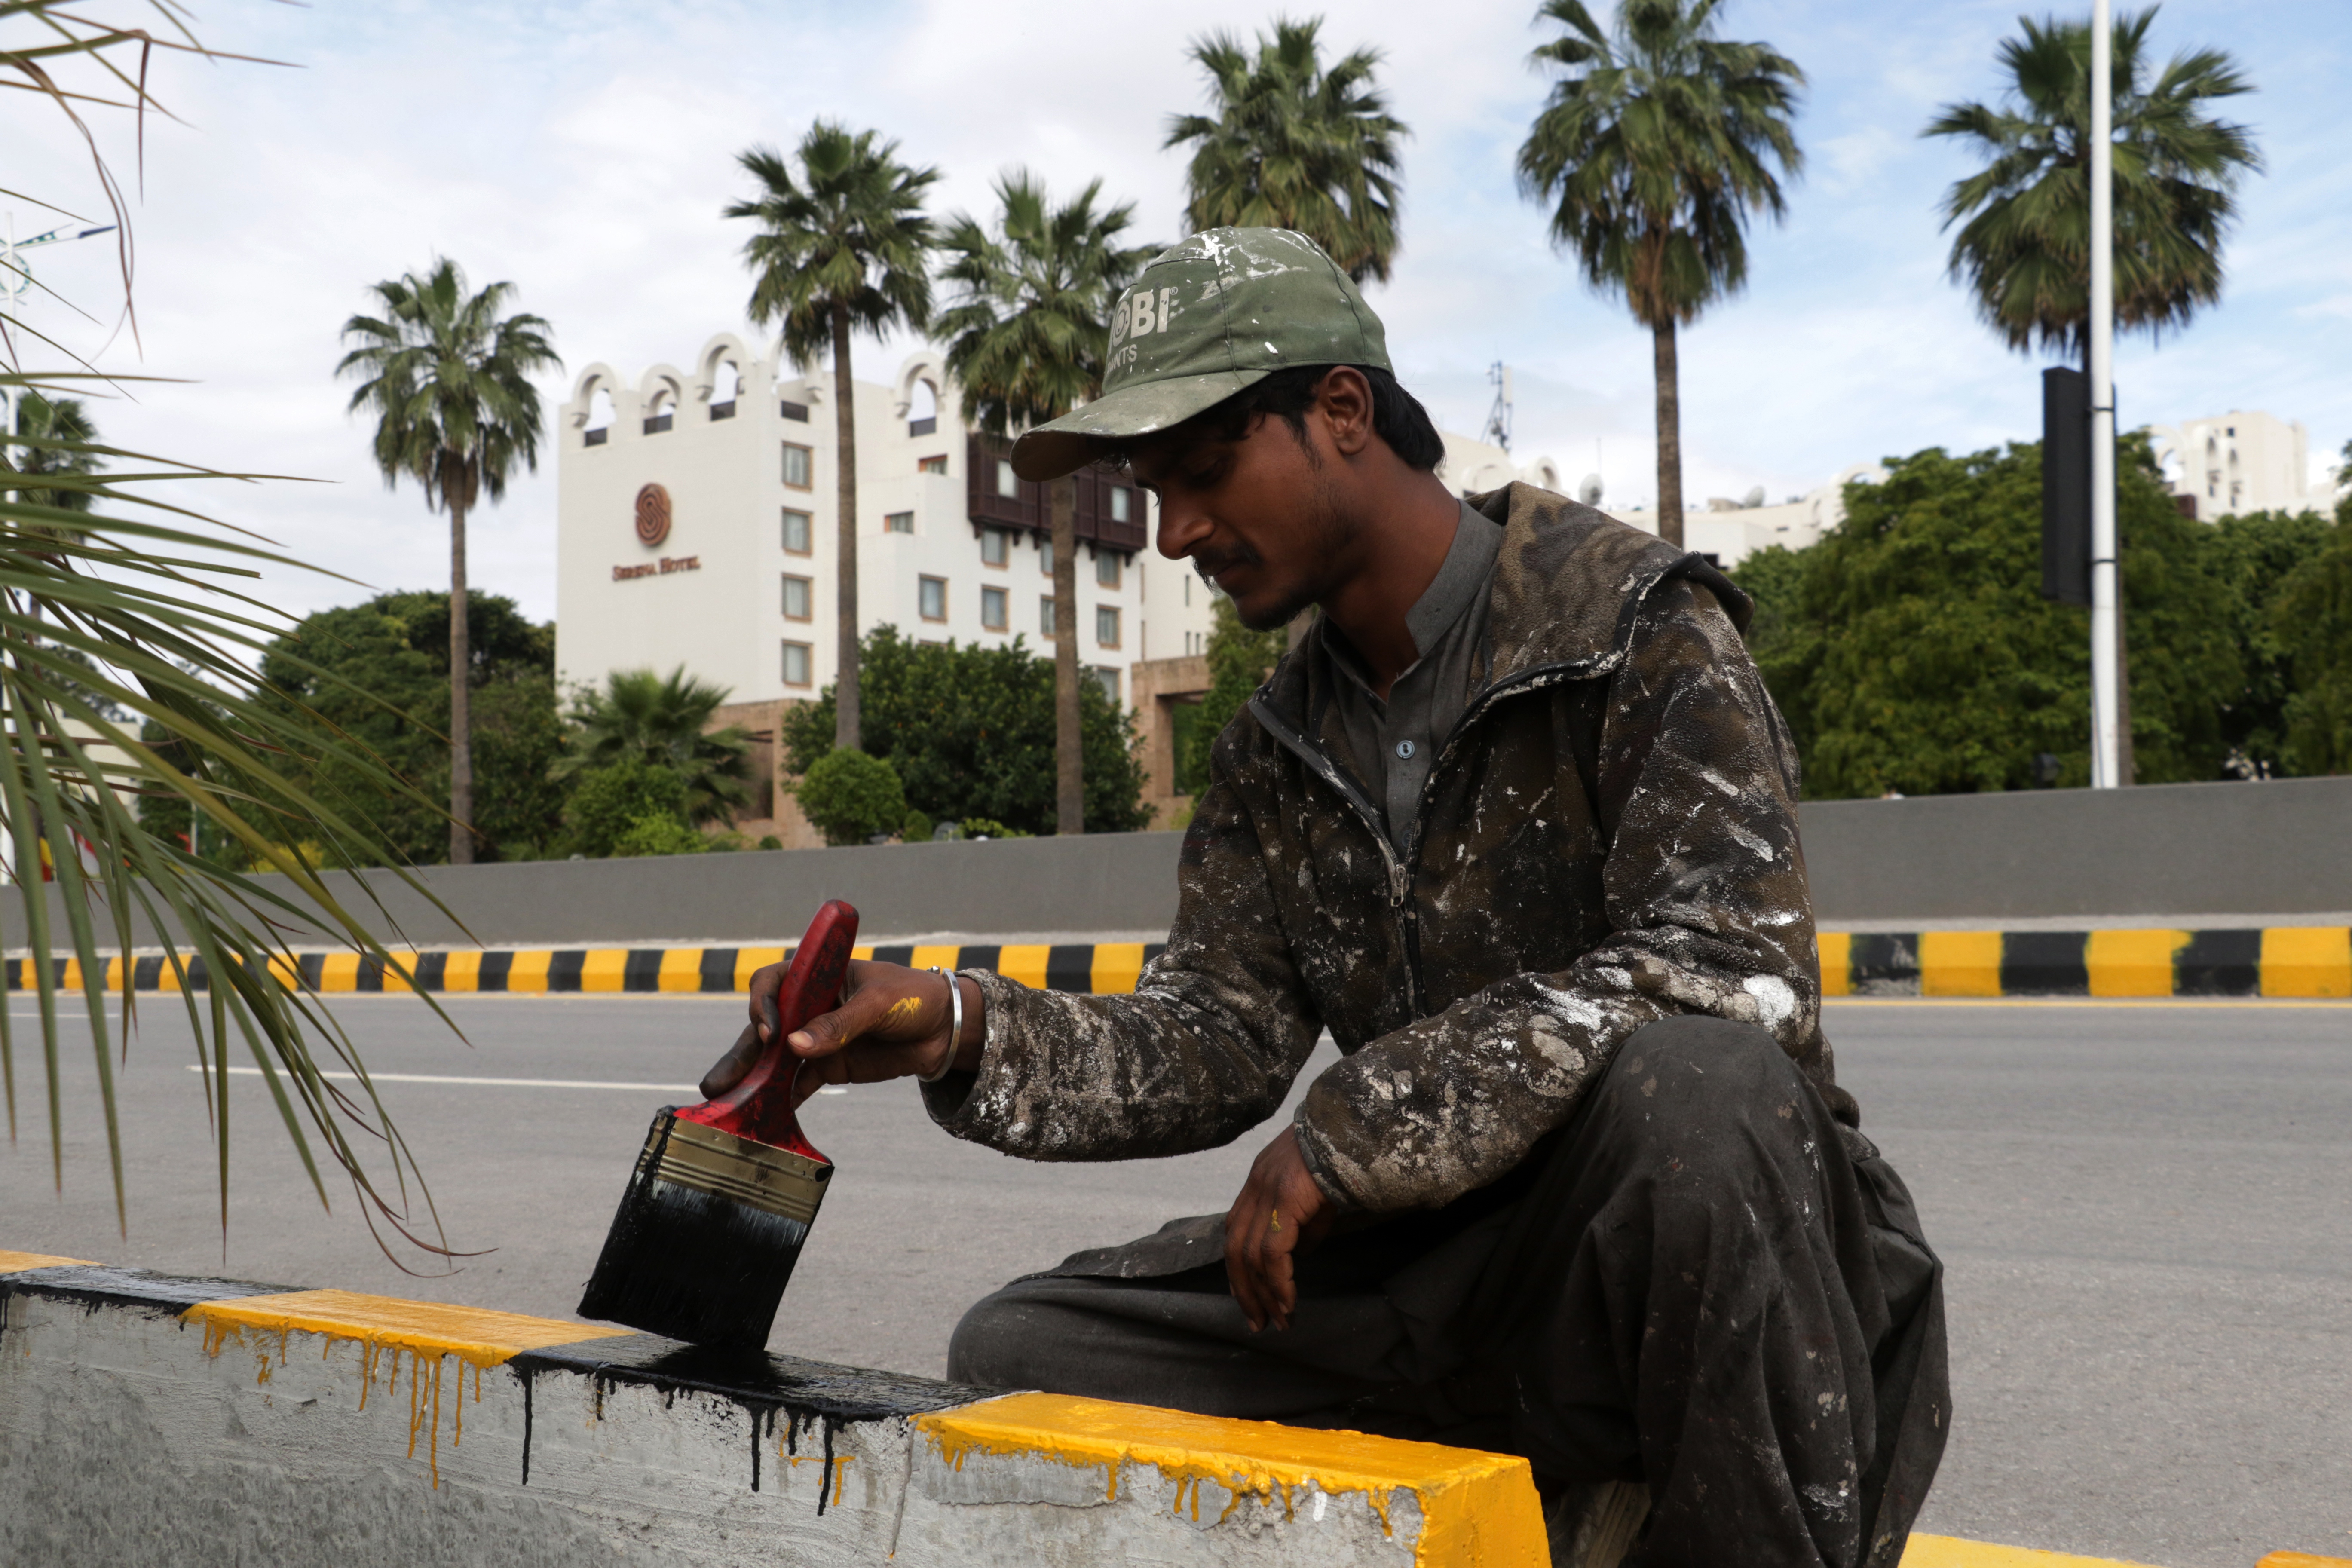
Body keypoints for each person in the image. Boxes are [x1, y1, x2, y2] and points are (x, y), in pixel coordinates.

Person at [701, 227, 1947, 1568]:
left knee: (1702, 1087)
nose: (1176, 532)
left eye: (1203, 472)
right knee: (1024, 1354)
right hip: (1430, 1276)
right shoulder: (1270, 752)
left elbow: (1732, 968)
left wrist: (1358, 1128)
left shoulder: (1633, 626)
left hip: (1668, 1263)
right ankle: (1558, 1490)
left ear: (1340, 410)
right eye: (1153, 489)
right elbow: (1217, 1038)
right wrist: (953, 1022)